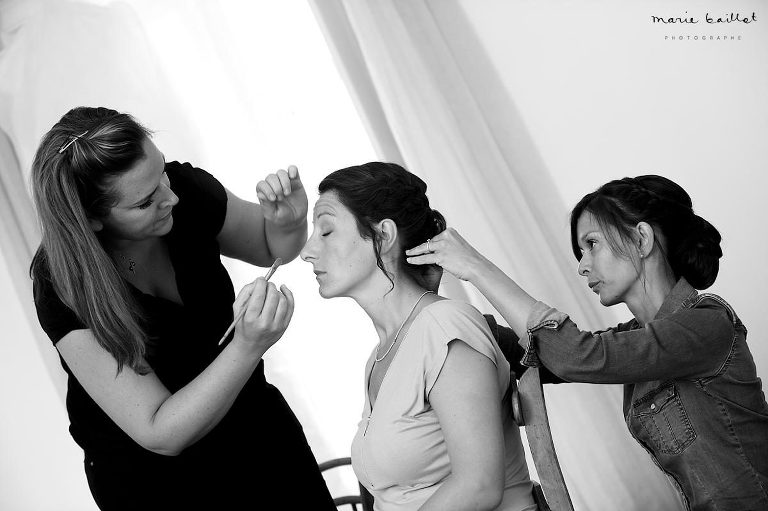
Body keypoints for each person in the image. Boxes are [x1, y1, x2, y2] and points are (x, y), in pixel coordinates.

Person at [30, 106, 335, 510]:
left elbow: (269, 248)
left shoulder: (182, 191)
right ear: (91, 220)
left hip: (256, 433)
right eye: (145, 202)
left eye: (162, 174)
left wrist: (288, 222)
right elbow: (160, 431)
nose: (170, 196)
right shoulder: (63, 283)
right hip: (158, 483)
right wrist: (246, 346)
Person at [406, 174, 768, 510]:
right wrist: (434, 306)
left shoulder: (706, 322)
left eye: (591, 244)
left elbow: (575, 356)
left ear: (642, 240)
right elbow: (534, 355)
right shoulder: (635, 339)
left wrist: (475, 267)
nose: (582, 266)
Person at [300, 162, 537, 511]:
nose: (307, 251)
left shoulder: (445, 327)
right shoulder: (379, 357)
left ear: (383, 236)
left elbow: (479, 486)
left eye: (326, 231)